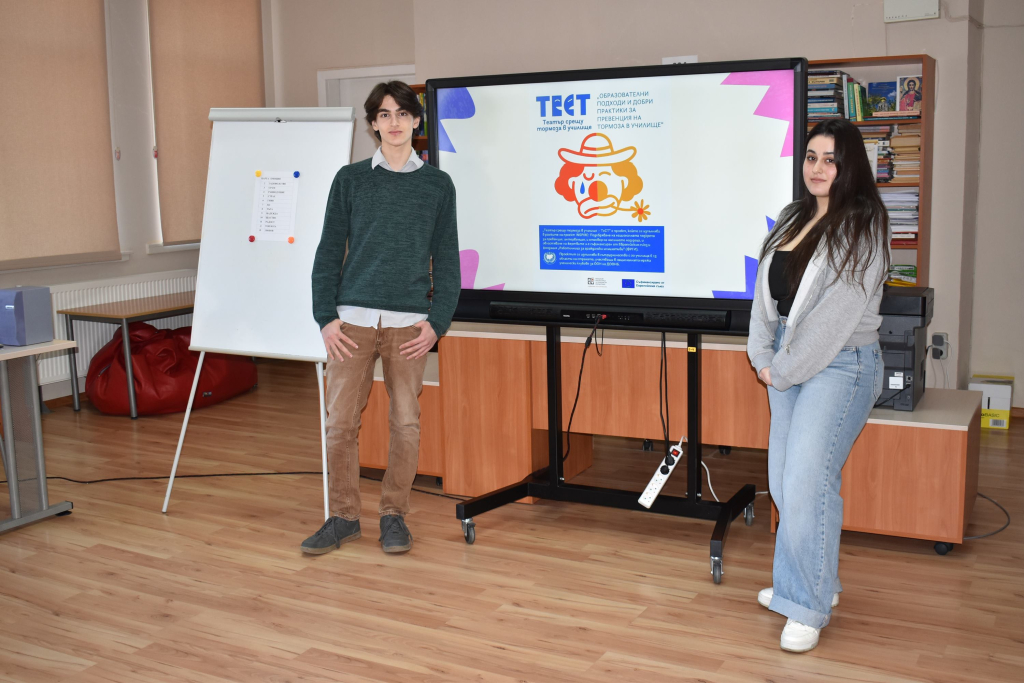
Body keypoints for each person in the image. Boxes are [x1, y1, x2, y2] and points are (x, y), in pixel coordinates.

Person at [747, 118, 889, 652]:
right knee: (786, 484)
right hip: (788, 359)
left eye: (830, 159)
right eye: (811, 157)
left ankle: (805, 605)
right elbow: (765, 296)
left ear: (849, 165)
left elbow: (833, 318)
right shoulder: (793, 217)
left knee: (807, 482)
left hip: (842, 364)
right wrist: (762, 355)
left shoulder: (865, 224)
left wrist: (779, 370)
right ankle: (810, 585)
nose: (818, 167)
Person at [304, 81, 460, 555]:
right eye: (385, 114)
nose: (394, 123)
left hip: (408, 325)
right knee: (339, 425)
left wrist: (437, 322)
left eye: (403, 114)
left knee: (406, 423)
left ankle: (394, 516)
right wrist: (325, 317)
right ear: (373, 123)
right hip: (350, 323)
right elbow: (328, 252)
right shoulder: (349, 180)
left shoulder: (437, 185)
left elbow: (447, 260)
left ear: (416, 121)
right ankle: (343, 517)